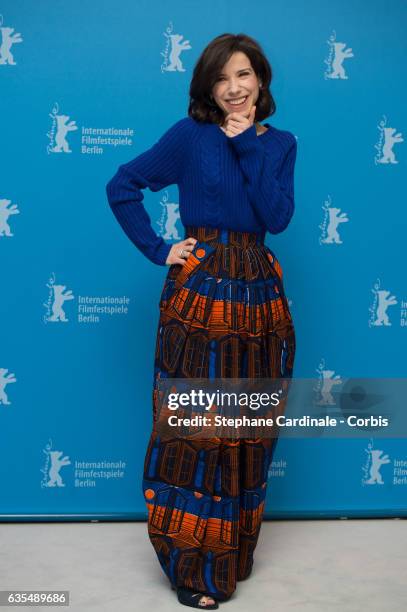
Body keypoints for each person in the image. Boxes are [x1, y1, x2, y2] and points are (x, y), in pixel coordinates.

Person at [106, 32, 297, 609]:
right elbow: (123, 186)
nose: (234, 88)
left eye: (244, 75)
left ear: (261, 80)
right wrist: (159, 248)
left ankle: (233, 555)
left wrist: (250, 149)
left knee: (248, 428)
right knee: (196, 428)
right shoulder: (189, 137)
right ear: (207, 88)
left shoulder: (281, 143)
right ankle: (195, 569)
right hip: (202, 294)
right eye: (221, 78)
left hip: (261, 298)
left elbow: (277, 217)